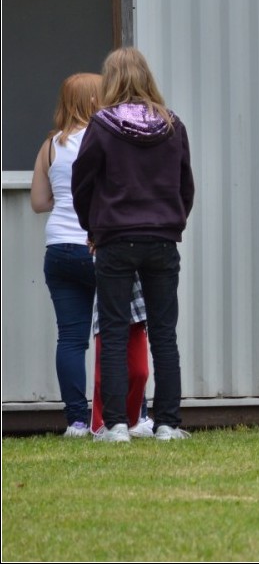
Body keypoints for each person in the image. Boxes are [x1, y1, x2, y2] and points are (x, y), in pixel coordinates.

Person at [72, 47, 196, 443]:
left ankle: (116, 425)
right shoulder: (173, 124)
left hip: (115, 239)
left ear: (111, 81)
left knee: (112, 331)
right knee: (164, 333)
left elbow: (82, 182)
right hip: (161, 239)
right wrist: (172, 221)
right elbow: (185, 185)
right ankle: (167, 424)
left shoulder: (102, 125)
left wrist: (92, 227)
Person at [30, 73, 103, 437]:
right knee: (115, 332)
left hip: (58, 248)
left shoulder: (50, 146)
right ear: (96, 101)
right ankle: (119, 415)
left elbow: (39, 202)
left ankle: (76, 420)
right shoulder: (106, 141)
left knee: (71, 337)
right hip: (98, 247)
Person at [90, 275, 153, 437]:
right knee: (103, 375)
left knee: (140, 372)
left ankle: (129, 422)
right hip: (108, 307)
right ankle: (103, 424)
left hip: (137, 306)